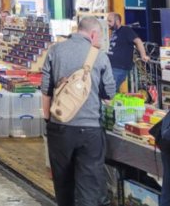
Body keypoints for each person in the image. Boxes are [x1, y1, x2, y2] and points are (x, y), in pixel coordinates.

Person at [42, 16, 116, 206]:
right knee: (89, 185)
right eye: (99, 36)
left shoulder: (55, 51)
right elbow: (109, 93)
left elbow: (46, 91)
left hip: (60, 127)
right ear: (93, 34)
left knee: (63, 182)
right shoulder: (99, 56)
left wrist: (48, 121)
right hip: (90, 130)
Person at [106, 12, 149, 91]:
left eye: (110, 21)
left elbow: (138, 41)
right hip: (112, 67)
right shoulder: (114, 32)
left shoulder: (126, 30)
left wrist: (143, 55)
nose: (108, 23)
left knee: (108, 92)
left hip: (119, 68)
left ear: (117, 21)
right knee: (108, 92)